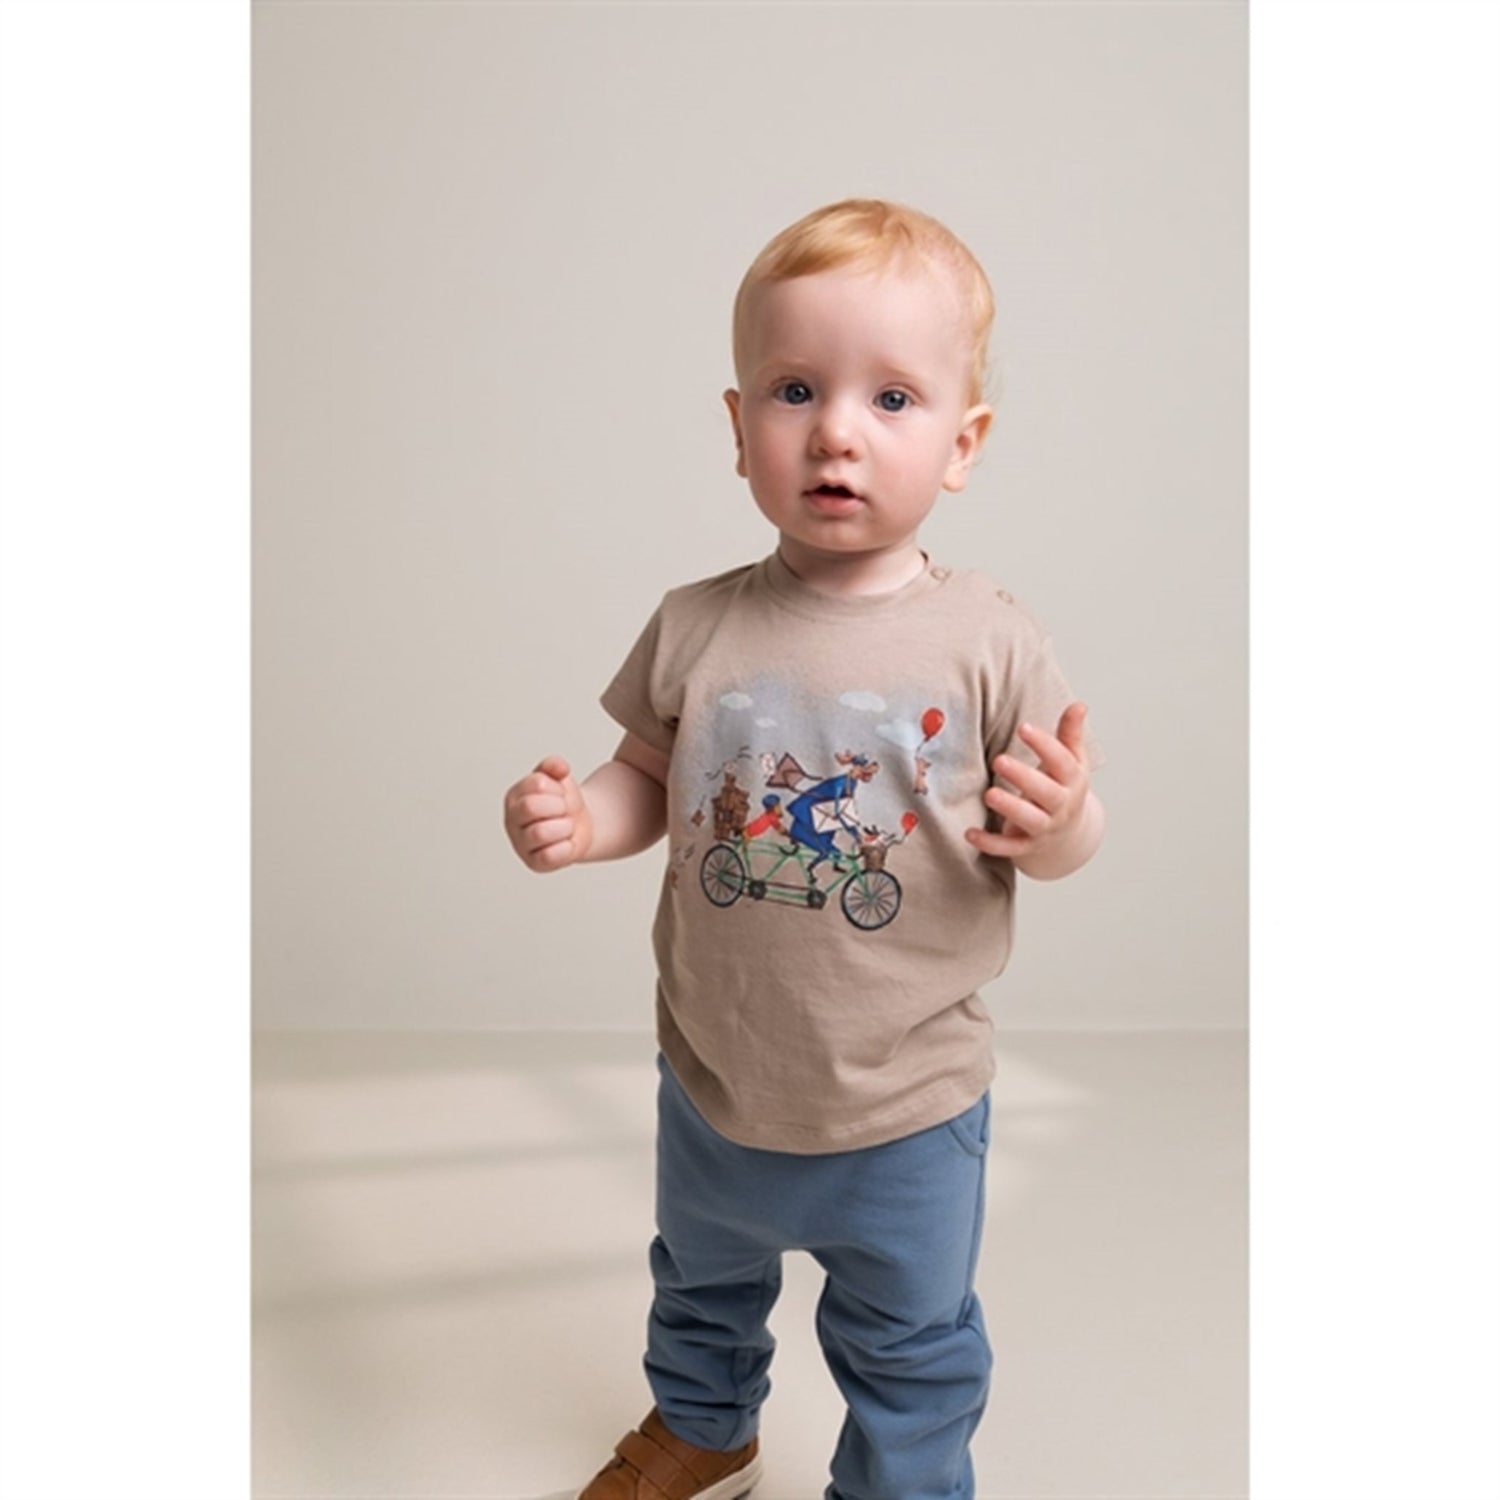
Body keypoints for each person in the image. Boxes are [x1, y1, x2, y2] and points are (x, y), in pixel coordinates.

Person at [502, 198, 1105, 1500]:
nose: (836, 431)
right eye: (795, 391)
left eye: (891, 399)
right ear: (739, 430)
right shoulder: (696, 624)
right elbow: (650, 778)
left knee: (910, 1341)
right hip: (718, 1079)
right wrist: (584, 821)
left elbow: (1057, 839)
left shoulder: (989, 640)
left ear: (961, 443)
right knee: (700, 1284)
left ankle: (898, 1486)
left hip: (905, 1105)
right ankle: (705, 1426)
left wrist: (1061, 824)